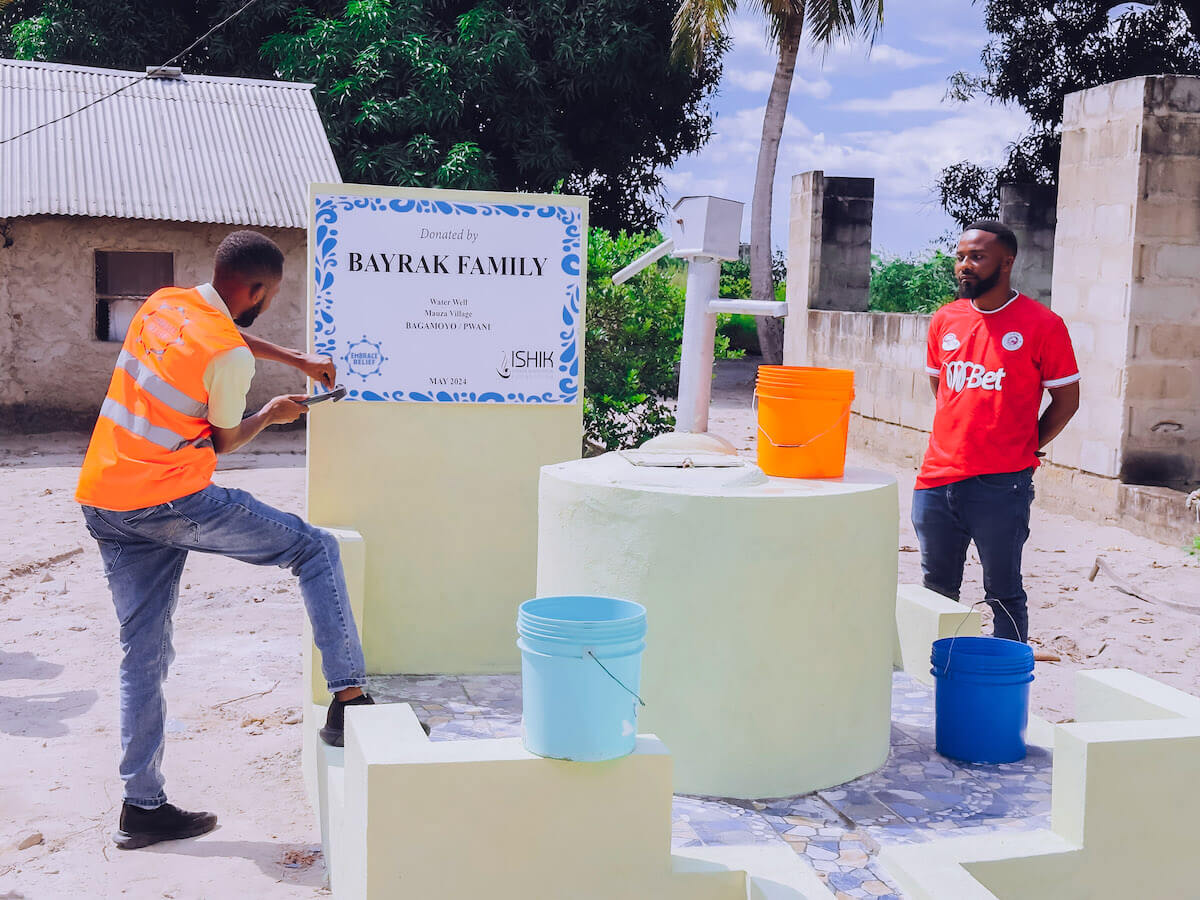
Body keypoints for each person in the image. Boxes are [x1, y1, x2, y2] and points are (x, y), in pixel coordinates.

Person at [76, 231, 373, 850]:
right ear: (258, 291)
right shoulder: (229, 357)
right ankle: (350, 700)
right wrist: (273, 413)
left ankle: (142, 806)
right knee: (314, 549)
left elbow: (222, 332)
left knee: (142, 654)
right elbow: (226, 439)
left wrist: (295, 358)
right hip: (170, 500)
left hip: (104, 498)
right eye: (272, 295)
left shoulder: (164, 303)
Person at [912, 221, 1080, 644]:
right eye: (960, 257)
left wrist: (1026, 444)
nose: (964, 265)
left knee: (1003, 594)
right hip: (935, 481)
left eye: (977, 257)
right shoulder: (945, 320)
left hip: (1002, 485)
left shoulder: (1043, 324)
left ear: (1006, 263)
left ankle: (1007, 676)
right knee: (936, 592)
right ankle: (936, 672)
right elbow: (943, 388)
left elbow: (1066, 401)